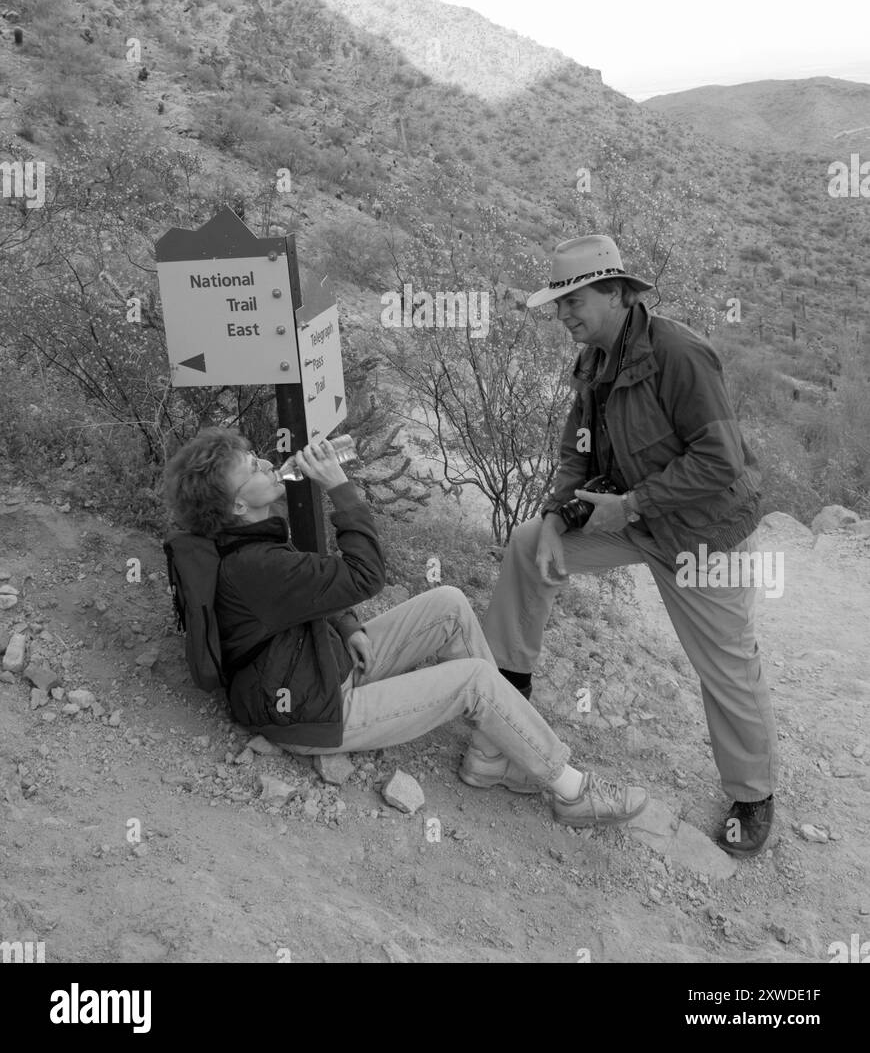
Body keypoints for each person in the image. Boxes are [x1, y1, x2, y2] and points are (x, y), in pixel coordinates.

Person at [163, 427, 649, 829]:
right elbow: (365, 575)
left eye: (252, 454)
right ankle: (570, 790)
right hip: (313, 709)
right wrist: (339, 487)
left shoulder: (246, 540)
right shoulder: (253, 564)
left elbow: (301, 593)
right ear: (235, 507)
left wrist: (347, 623)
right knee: (474, 681)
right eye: (249, 468)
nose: (264, 463)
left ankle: (489, 756)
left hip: (318, 662)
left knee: (449, 604)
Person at [483, 235, 777, 858]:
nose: (563, 315)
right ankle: (508, 706)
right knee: (530, 544)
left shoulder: (679, 353)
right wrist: (561, 517)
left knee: (727, 666)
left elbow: (721, 460)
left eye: (573, 301)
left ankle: (752, 796)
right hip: (628, 517)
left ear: (616, 293)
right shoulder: (594, 359)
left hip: (703, 534)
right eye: (557, 304)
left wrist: (632, 504)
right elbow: (578, 451)